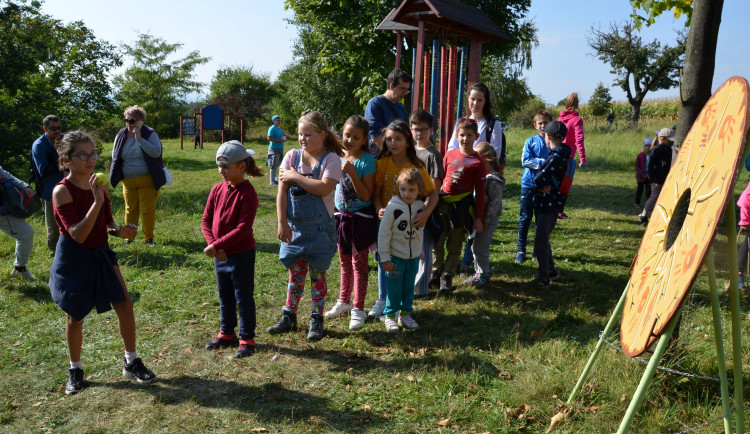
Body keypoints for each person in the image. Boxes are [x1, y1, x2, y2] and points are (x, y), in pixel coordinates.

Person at [48, 131, 155, 395]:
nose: (90, 159)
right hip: (74, 257)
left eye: (93, 153)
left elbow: (106, 222)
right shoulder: (61, 191)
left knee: (124, 304)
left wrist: (120, 231)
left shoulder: (100, 185)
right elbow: (78, 234)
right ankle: (76, 369)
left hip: (101, 252)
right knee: (76, 314)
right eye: (82, 155)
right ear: (66, 159)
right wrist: (96, 200)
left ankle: (131, 362)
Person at [268, 111, 343, 341]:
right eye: (300, 134)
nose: (302, 139)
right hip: (295, 230)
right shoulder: (291, 156)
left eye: (308, 134)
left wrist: (295, 176)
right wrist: (282, 222)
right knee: (295, 274)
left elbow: (323, 188)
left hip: (321, 230)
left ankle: (316, 318)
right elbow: (282, 193)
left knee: (317, 276)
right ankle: (289, 315)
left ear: (321, 134)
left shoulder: (331, 160)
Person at [368, 121, 438, 318]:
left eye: (398, 139)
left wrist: (425, 213)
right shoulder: (381, 163)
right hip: (387, 224)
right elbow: (377, 193)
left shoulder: (416, 166)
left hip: (408, 227)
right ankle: (383, 299)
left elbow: (432, 194)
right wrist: (379, 208)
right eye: (389, 139)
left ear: (407, 142)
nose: (393, 143)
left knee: (405, 265)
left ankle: (399, 305)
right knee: (385, 259)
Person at [202, 141, 262, 358]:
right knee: (224, 294)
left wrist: (217, 245)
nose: (222, 171)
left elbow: (243, 229)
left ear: (242, 167)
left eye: (226, 167)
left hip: (240, 254)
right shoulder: (217, 189)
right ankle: (227, 332)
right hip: (220, 255)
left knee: (243, 296)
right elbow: (206, 219)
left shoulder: (248, 193)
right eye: (219, 166)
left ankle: (247, 337)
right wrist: (214, 245)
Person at [324, 115, 377, 330]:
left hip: (361, 221)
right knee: (344, 262)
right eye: (347, 135)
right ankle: (344, 301)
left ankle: (359, 308)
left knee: (359, 264)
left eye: (356, 137)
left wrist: (353, 173)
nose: (350, 140)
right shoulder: (337, 156)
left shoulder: (368, 161)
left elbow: (366, 196)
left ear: (364, 139)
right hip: (341, 218)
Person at [433, 117, 486, 294]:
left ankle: (447, 276)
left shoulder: (478, 162)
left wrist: (478, 218)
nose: (465, 138)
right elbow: (440, 177)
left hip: (461, 209)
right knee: (438, 240)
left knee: (455, 245)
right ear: (457, 135)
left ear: (476, 136)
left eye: (469, 135)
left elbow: (480, 193)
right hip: (442, 205)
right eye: (462, 135)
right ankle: (436, 272)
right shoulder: (450, 154)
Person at [110, 105, 166, 246]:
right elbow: (115, 155)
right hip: (128, 181)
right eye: (126, 120)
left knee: (147, 210)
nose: (128, 123)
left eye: (132, 121)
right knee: (130, 210)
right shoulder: (121, 134)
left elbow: (156, 153)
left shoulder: (150, 133)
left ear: (140, 121)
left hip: (147, 180)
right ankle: (129, 238)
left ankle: (148, 238)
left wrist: (139, 138)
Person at [379, 168, 425, 332]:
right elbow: (384, 233)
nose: (407, 193)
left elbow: (420, 232)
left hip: (412, 259)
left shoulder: (420, 207)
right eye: (403, 189)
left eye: (412, 190)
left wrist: (420, 250)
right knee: (394, 288)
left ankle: (405, 314)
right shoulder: (392, 207)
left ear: (419, 190)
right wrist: (385, 258)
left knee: (408, 287)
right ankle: (390, 316)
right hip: (395, 258)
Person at [532, 121, 571, 287]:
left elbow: (539, 179)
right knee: (544, 237)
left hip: (548, 203)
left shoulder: (555, 156)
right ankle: (551, 271)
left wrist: (538, 184)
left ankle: (543, 278)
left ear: (547, 136)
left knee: (540, 242)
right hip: (555, 202)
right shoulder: (564, 154)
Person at [409, 109, 443, 299]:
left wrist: (426, 212)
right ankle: (411, 285)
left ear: (431, 130)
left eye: (423, 129)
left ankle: (422, 289)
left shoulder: (432, 155)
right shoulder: (410, 151)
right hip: (408, 207)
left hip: (424, 209)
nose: (419, 133)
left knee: (424, 250)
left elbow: (434, 189)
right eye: (415, 129)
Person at [463, 142, 505, 287]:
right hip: (479, 219)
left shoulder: (493, 180)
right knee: (475, 246)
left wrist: (486, 219)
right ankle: (478, 273)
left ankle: (484, 275)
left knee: (481, 247)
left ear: (486, 159)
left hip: (488, 220)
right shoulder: (481, 176)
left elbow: (495, 203)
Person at [515, 110, 553, 264]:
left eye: (546, 123)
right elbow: (525, 161)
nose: (543, 126)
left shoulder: (553, 144)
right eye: (540, 123)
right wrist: (544, 163)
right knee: (525, 218)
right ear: (535, 125)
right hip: (528, 185)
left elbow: (555, 163)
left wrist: (541, 163)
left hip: (545, 187)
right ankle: (520, 250)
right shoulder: (529, 141)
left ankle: (537, 252)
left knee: (540, 221)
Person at [447, 82, 507, 168]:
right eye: (473, 99)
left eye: (479, 100)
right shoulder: (461, 122)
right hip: (460, 169)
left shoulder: (493, 124)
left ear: (485, 101)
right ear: (468, 99)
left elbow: (495, 154)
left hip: (482, 171)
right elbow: (452, 148)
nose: (475, 103)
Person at [31, 114, 64, 255]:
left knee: (67, 219)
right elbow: (43, 170)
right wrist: (62, 159)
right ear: (45, 128)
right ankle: (54, 250)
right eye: (53, 128)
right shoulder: (39, 145)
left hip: (66, 187)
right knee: (53, 224)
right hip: (48, 190)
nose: (57, 131)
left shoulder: (63, 139)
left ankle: (66, 247)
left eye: (59, 128)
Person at [364, 69, 412, 156]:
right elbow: (375, 138)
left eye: (407, 90)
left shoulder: (402, 109)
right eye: (402, 89)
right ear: (391, 86)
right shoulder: (375, 104)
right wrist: (394, 155)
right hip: (378, 160)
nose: (405, 93)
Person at [0, 165, 36, 280]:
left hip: (5, 210)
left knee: (26, 233)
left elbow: (5, 174)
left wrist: (24, 186)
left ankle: (19, 269)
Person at [557, 92, 587, 219]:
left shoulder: (559, 119)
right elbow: (579, 139)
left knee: (556, 183)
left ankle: (553, 209)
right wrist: (582, 158)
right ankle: (559, 211)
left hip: (556, 155)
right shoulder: (577, 120)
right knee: (565, 184)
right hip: (568, 158)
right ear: (577, 104)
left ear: (567, 104)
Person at [639, 128, 674, 224]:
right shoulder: (655, 150)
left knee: (661, 197)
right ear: (662, 138)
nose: (670, 141)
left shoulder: (668, 149)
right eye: (668, 139)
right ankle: (643, 214)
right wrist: (652, 179)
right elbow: (651, 165)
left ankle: (654, 214)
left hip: (664, 178)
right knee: (653, 197)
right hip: (656, 179)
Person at [736, 180, 750, 290]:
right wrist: (745, 221)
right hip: (748, 215)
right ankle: (739, 276)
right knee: (747, 243)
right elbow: (746, 198)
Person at [266, 115, 287, 186]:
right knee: (273, 165)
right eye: (277, 120)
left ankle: (275, 180)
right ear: (273, 121)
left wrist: (284, 137)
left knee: (277, 165)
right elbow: (269, 138)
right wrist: (279, 140)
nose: (279, 121)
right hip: (274, 149)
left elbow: (281, 136)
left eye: (280, 120)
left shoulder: (279, 128)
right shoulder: (272, 128)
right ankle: (272, 182)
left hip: (280, 149)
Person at [635, 138, 653, 209]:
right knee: (640, 190)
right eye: (646, 145)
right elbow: (637, 166)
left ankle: (647, 204)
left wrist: (650, 175)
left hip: (649, 177)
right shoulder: (640, 155)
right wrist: (642, 174)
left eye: (649, 146)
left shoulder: (653, 155)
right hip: (641, 177)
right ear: (644, 146)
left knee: (649, 191)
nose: (648, 147)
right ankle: (637, 202)